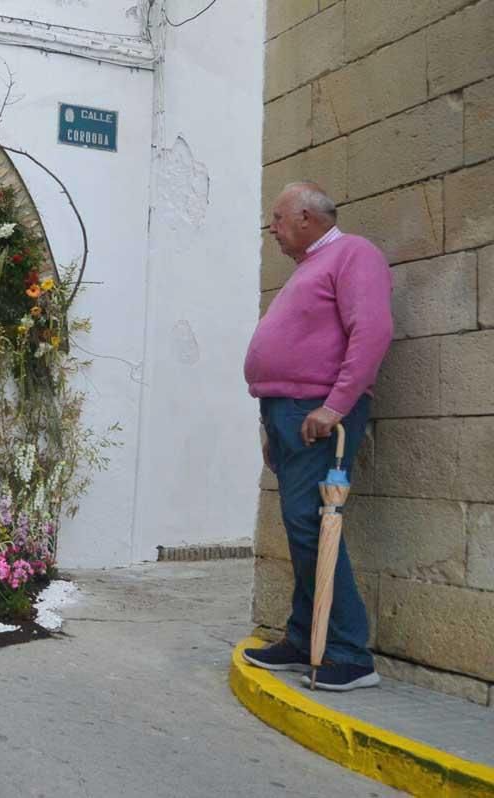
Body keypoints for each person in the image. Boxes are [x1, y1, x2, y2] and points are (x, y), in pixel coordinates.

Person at [242, 182, 393, 692]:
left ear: (306, 217)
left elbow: (371, 330)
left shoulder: (354, 253)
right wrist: (272, 424)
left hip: (317, 413)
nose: (272, 228)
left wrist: (335, 406)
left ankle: (350, 654)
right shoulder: (309, 268)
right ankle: (304, 635)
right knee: (303, 527)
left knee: (314, 526)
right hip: (289, 413)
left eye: (278, 219)